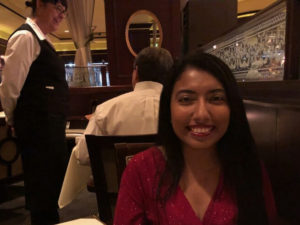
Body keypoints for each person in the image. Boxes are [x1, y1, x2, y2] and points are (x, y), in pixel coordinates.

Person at [114, 51, 278, 225]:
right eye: (186, 99)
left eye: (216, 98)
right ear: (168, 108)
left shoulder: (248, 167)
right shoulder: (140, 170)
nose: (201, 114)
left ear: (232, 107)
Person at [0, 0, 69, 224]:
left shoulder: (43, 40)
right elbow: (10, 87)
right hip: (38, 130)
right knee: (42, 194)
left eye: (64, 12)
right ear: (40, 3)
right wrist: (13, 119)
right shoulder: (25, 37)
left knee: (49, 193)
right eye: (58, 8)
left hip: (48, 129)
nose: (61, 16)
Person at [74, 47, 173, 165]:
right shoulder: (180, 110)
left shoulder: (106, 110)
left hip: (120, 183)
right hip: (170, 183)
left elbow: (83, 156)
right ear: (170, 76)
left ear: (136, 72)